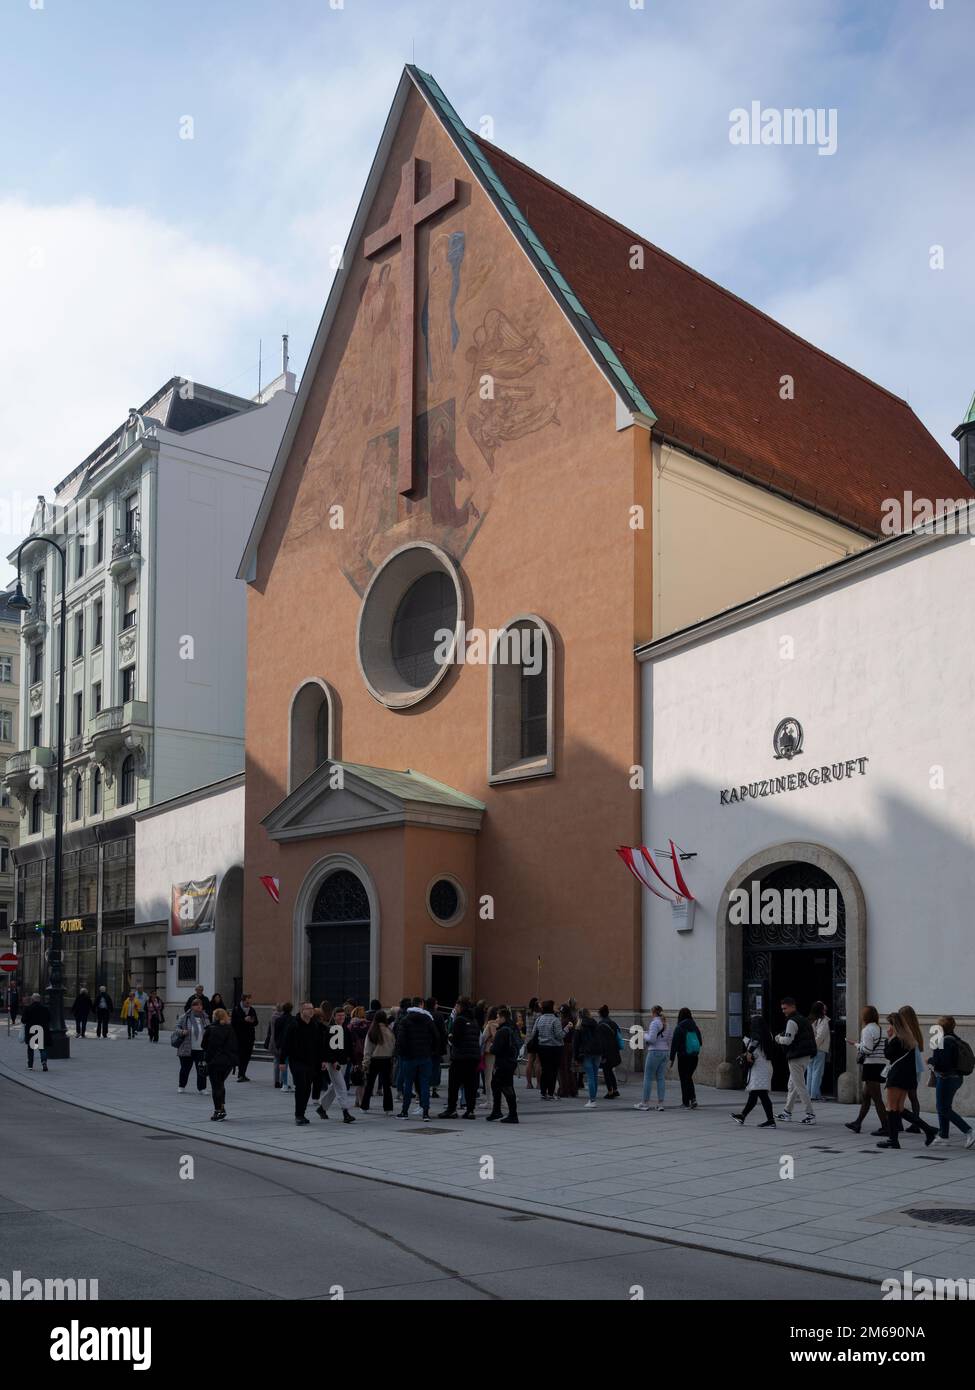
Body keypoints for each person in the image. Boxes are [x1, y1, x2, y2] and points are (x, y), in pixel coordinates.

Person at [877, 1011, 938, 1148]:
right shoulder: (909, 1040)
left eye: (890, 1025)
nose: (889, 1028)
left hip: (897, 1077)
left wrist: (887, 1039)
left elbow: (888, 1055)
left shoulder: (896, 1040)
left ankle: (893, 1140)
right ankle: (929, 1130)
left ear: (895, 1026)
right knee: (898, 1108)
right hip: (907, 1077)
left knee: (891, 1107)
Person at [928, 1015, 975, 1148]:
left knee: (943, 1108)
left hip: (946, 1078)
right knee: (943, 1107)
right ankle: (943, 1135)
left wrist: (930, 1061)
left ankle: (969, 1131)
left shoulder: (942, 1041)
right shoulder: (955, 1039)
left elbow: (942, 1064)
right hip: (956, 1078)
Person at [845, 1004, 888, 1135]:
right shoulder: (881, 1029)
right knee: (866, 1096)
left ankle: (886, 1127)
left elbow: (867, 1049)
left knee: (877, 1098)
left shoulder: (867, 1030)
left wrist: (856, 1045)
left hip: (871, 1066)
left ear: (865, 1016)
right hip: (879, 1064)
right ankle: (857, 1123)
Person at [396, 996, 440, 1120]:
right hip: (425, 1056)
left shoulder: (405, 1020)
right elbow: (436, 1036)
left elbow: (400, 1040)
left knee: (408, 1083)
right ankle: (425, 1112)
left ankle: (404, 1111)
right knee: (424, 1084)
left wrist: (403, 1054)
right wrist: (431, 1050)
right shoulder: (427, 1019)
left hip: (409, 1057)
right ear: (421, 1005)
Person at [281, 1001, 324, 1126]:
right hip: (296, 1061)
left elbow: (319, 1045)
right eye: (308, 1009)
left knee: (307, 1088)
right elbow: (286, 1043)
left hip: (311, 1061)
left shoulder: (314, 1025)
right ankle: (298, 1115)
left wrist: (322, 1060)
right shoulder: (293, 1025)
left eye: (312, 1008)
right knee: (301, 1086)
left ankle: (302, 1113)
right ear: (302, 1011)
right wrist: (283, 1061)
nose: (311, 1011)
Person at [774, 997, 816, 1125]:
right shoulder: (803, 1019)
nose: (783, 1011)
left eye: (785, 1008)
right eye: (782, 1008)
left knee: (799, 1086)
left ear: (792, 1007)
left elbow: (787, 1040)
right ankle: (787, 1112)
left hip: (796, 1057)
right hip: (805, 1056)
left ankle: (810, 1114)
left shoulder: (792, 1022)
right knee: (792, 1085)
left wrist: (778, 1038)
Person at [440, 997, 481, 1119]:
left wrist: (450, 1036)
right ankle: (470, 1110)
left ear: (460, 1007)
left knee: (454, 1084)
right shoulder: (474, 1021)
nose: (455, 1009)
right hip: (473, 1057)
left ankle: (451, 1109)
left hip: (460, 1058)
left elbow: (456, 1040)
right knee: (470, 1085)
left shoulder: (459, 1020)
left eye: (456, 1006)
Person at [732, 1017, 776, 1127]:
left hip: (760, 1069)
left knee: (761, 1094)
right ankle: (743, 1116)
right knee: (755, 1094)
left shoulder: (756, 1037)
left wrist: (748, 1051)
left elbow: (753, 1048)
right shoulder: (768, 1035)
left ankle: (770, 1121)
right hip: (764, 1067)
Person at [318, 1006, 357, 1123]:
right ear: (334, 1017)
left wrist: (355, 1062)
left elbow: (350, 1048)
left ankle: (322, 1108)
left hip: (344, 1062)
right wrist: (333, 1061)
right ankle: (345, 1112)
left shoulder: (346, 1030)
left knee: (334, 1088)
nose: (341, 1017)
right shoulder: (331, 1030)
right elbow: (327, 1048)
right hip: (333, 1063)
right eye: (339, 1015)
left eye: (343, 1015)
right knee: (341, 1087)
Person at [202, 1007, 238, 1121]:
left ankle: (218, 1110)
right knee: (221, 1084)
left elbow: (204, 1045)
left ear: (215, 1017)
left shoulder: (210, 1029)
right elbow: (234, 1045)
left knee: (216, 1086)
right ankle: (221, 1108)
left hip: (214, 1062)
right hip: (227, 1062)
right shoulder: (230, 1029)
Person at [486, 1006, 520, 1123]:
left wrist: (491, 1047)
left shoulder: (502, 1032)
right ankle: (498, 1111)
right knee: (499, 1085)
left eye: (498, 1017)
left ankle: (511, 1114)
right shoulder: (512, 1028)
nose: (496, 1019)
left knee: (504, 1086)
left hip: (502, 1063)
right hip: (511, 1061)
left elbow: (495, 1049)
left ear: (503, 1018)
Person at [898, 1003, 927, 1134]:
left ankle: (901, 1123)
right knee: (913, 1096)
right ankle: (915, 1123)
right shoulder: (916, 1030)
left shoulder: (906, 1032)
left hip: (909, 1068)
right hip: (917, 1067)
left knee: (900, 1097)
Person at [527, 1000, 564, 1100]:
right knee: (553, 1071)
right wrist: (567, 1029)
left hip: (542, 1047)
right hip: (554, 1048)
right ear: (551, 1008)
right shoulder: (555, 1020)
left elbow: (534, 1032)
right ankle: (551, 1093)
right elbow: (559, 1035)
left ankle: (543, 1092)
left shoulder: (539, 1019)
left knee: (545, 1069)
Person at [636, 1005, 671, 1111]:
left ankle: (645, 1103)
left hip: (654, 1052)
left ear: (653, 1013)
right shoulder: (667, 1023)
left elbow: (652, 1039)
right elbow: (670, 1038)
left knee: (648, 1077)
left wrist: (643, 1035)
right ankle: (660, 1104)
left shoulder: (654, 1023)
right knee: (660, 1078)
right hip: (665, 1052)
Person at [362, 1010, 396, 1114]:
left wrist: (365, 1063)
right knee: (386, 1086)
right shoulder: (390, 1031)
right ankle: (388, 1108)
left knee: (369, 1085)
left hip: (374, 1060)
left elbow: (367, 1049)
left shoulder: (372, 1031)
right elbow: (393, 1045)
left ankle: (365, 1106)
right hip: (386, 1060)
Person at [669, 1006, 703, 1108]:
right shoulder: (695, 1027)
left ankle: (686, 1102)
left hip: (683, 1057)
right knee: (688, 1078)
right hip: (694, 1057)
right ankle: (693, 1099)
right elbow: (700, 1042)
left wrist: (672, 1059)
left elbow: (674, 1044)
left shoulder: (679, 1027)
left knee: (684, 1079)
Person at [176, 997, 210, 1093]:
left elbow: (209, 1030)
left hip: (201, 1048)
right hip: (187, 1048)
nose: (199, 1007)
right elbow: (177, 1028)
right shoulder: (185, 1017)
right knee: (185, 1069)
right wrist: (182, 1031)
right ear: (192, 1006)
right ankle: (181, 1086)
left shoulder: (205, 1017)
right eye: (197, 1005)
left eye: (201, 1005)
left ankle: (202, 1088)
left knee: (201, 1069)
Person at [573, 1008, 604, 1108]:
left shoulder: (579, 1026)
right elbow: (601, 1039)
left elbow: (576, 1043)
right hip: (597, 1052)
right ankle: (593, 1099)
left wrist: (575, 1057)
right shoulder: (596, 1024)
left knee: (590, 1076)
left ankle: (592, 1100)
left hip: (586, 1053)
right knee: (594, 1076)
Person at [805, 1001, 831, 1103]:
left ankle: (810, 1094)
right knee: (817, 1072)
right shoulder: (823, 1020)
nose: (826, 1010)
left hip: (810, 1049)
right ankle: (814, 1095)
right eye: (824, 1009)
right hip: (818, 1050)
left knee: (810, 1071)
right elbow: (820, 1036)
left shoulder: (810, 1019)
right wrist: (814, 1047)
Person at [597, 1004, 623, 1099]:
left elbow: (601, 1042)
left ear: (600, 1014)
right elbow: (618, 1037)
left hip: (606, 1052)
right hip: (614, 1051)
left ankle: (610, 1091)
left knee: (606, 1071)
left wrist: (602, 1055)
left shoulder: (600, 1025)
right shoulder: (613, 1023)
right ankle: (615, 1089)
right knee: (610, 1070)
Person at [231, 994, 259, 1081]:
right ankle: (240, 1074)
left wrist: (252, 1021)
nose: (249, 1004)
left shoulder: (252, 1009)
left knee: (247, 1056)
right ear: (243, 1001)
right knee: (240, 1055)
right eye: (247, 1002)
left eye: (250, 1002)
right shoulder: (236, 1009)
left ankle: (243, 1074)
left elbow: (256, 1022)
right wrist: (244, 1020)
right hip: (239, 1037)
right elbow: (233, 1023)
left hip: (249, 1037)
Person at [427, 997, 448, 1100]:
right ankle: (434, 1089)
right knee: (435, 1067)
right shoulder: (439, 1015)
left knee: (426, 1067)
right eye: (436, 1003)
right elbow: (443, 1032)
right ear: (434, 1004)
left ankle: (425, 1088)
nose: (437, 1005)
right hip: (436, 1046)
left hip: (426, 1046)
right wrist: (443, 1046)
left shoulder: (424, 1014)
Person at [22, 993, 50, 1071]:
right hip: (41, 1030)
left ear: (32, 1000)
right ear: (39, 1000)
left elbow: (23, 1020)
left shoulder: (28, 1008)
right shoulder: (45, 1008)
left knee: (31, 1048)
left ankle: (30, 1065)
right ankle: (44, 1062)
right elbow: (49, 1019)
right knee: (42, 1048)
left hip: (31, 1031)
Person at [556, 1004, 578, 1098]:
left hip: (563, 1046)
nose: (560, 1014)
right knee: (569, 1069)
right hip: (570, 1045)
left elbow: (561, 1035)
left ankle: (564, 1090)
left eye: (560, 1012)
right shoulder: (571, 1020)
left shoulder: (563, 1021)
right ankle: (573, 1090)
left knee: (562, 1069)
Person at [481, 1006, 500, 1104]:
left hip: (489, 1052)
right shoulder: (499, 1024)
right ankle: (501, 1100)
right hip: (497, 1052)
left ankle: (489, 1101)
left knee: (488, 1077)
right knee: (496, 1076)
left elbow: (491, 1038)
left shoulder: (491, 1024)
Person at [524, 997, 541, 1089]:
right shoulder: (538, 1014)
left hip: (528, 1039)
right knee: (538, 1062)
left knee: (529, 1061)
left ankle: (529, 1083)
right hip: (537, 1039)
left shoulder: (528, 1013)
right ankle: (538, 1083)